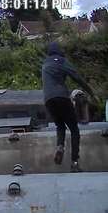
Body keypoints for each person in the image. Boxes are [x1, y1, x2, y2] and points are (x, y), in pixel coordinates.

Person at [41, 41, 96, 172]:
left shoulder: (45, 64)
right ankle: (74, 162)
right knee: (74, 129)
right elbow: (76, 77)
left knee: (60, 126)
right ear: (60, 51)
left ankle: (60, 146)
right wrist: (91, 92)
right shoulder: (61, 61)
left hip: (48, 99)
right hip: (61, 97)